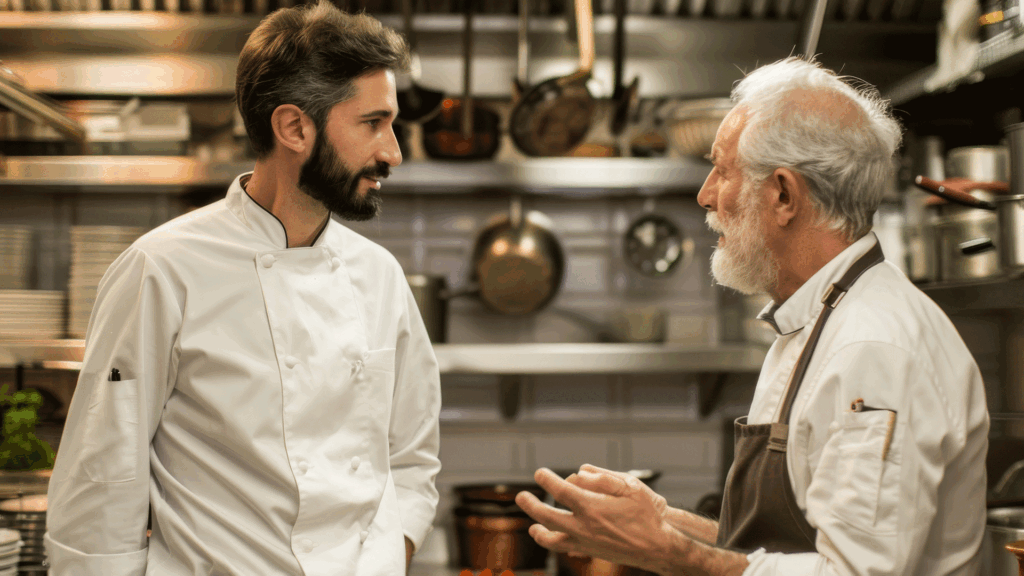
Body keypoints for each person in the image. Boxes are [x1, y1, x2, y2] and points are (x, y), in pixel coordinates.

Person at [516, 57, 989, 576]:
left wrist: (666, 552)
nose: (705, 195)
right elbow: (789, 545)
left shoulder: (873, 349)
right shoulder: (817, 319)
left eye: (722, 169)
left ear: (783, 194)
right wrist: (663, 520)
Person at [45, 3, 441, 575]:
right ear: (294, 128)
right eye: (373, 123)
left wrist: (391, 552)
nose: (393, 152)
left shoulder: (379, 276)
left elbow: (412, 455)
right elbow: (104, 478)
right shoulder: (161, 270)